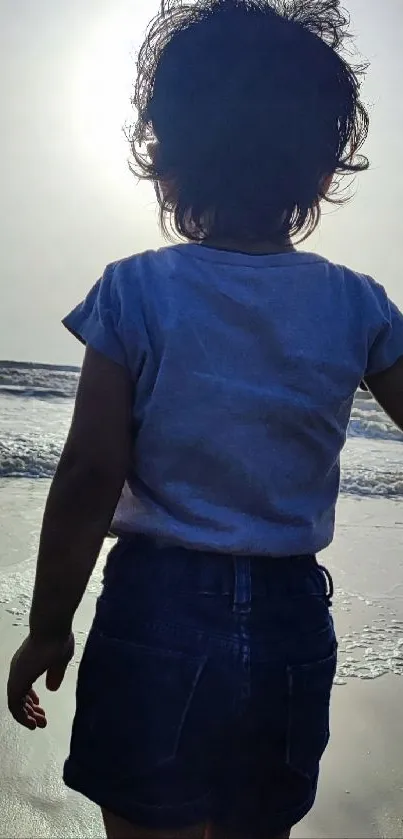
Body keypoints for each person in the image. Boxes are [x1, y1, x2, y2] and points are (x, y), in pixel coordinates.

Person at [7, 1, 403, 837]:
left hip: (156, 611)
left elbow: (87, 476)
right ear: (323, 170)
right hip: (295, 619)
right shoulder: (356, 304)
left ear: (165, 154)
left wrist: (49, 626)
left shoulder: (135, 290)